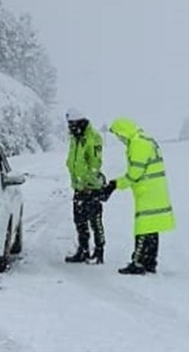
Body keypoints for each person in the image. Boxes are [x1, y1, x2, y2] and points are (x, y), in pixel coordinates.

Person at [102, 117, 175, 275]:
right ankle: (150, 261)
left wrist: (114, 185)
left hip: (147, 192)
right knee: (152, 227)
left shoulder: (137, 144)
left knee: (143, 227)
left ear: (124, 132)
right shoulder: (146, 140)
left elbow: (134, 174)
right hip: (154, 190)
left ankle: (139, 262)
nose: (119, 139)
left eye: (119, 135)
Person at [64, 109, 107, 264]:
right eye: (69, 125)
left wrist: (87, 183)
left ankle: (99, 252)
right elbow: (74, 162)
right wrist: (78, 183)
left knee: (95, 221)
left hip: (91, 188)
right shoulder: (75, 138)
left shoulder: (93, 138)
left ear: (80, 123)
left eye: (72, 125)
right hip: (79, 187)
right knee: (79, 221)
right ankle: (83, 250)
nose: (70, 128)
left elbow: (95, 164)